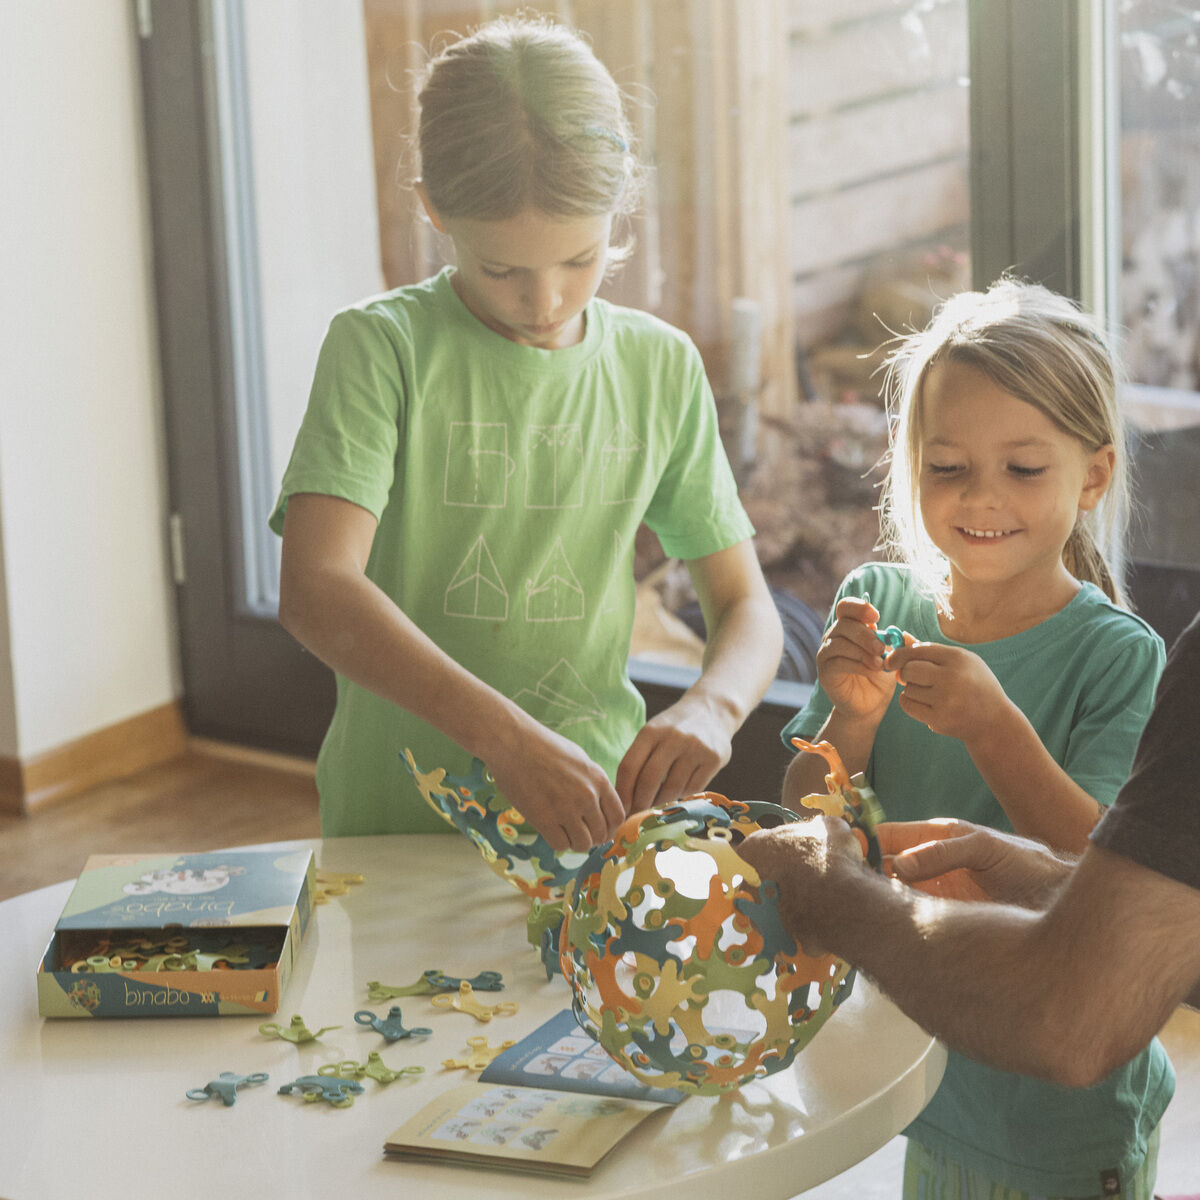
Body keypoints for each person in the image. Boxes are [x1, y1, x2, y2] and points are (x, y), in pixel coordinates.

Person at [269, 15, 782, 853]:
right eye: (502, 269)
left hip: (594, 828)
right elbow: (317, 587)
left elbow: (745, 606)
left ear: (620, 208)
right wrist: (504, 739)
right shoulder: (382, 348)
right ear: (434, 207)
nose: (544, 302)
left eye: (579, 260)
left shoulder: (661, 366)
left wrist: (713, 707)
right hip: (397, 830)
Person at [776, 280, 1171, 1198]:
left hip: (1062, 1110)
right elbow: (804, 817)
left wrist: (997, 728)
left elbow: (1098, 867)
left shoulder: (1119, 658)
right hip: (924, 1060)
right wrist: (855, 718)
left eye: (1024, 470)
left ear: (1095, 475)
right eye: (947, 465)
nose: (979, 498)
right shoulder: (883, 604)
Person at [736, 607, 1200, 1129]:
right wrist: (1045, 879)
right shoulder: (876, 598)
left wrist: (828, 892)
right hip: (925, 1080)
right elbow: (1153, 894)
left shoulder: (1123, 652)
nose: (981, 517)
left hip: (1055, 1124)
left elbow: (1078, 1015)